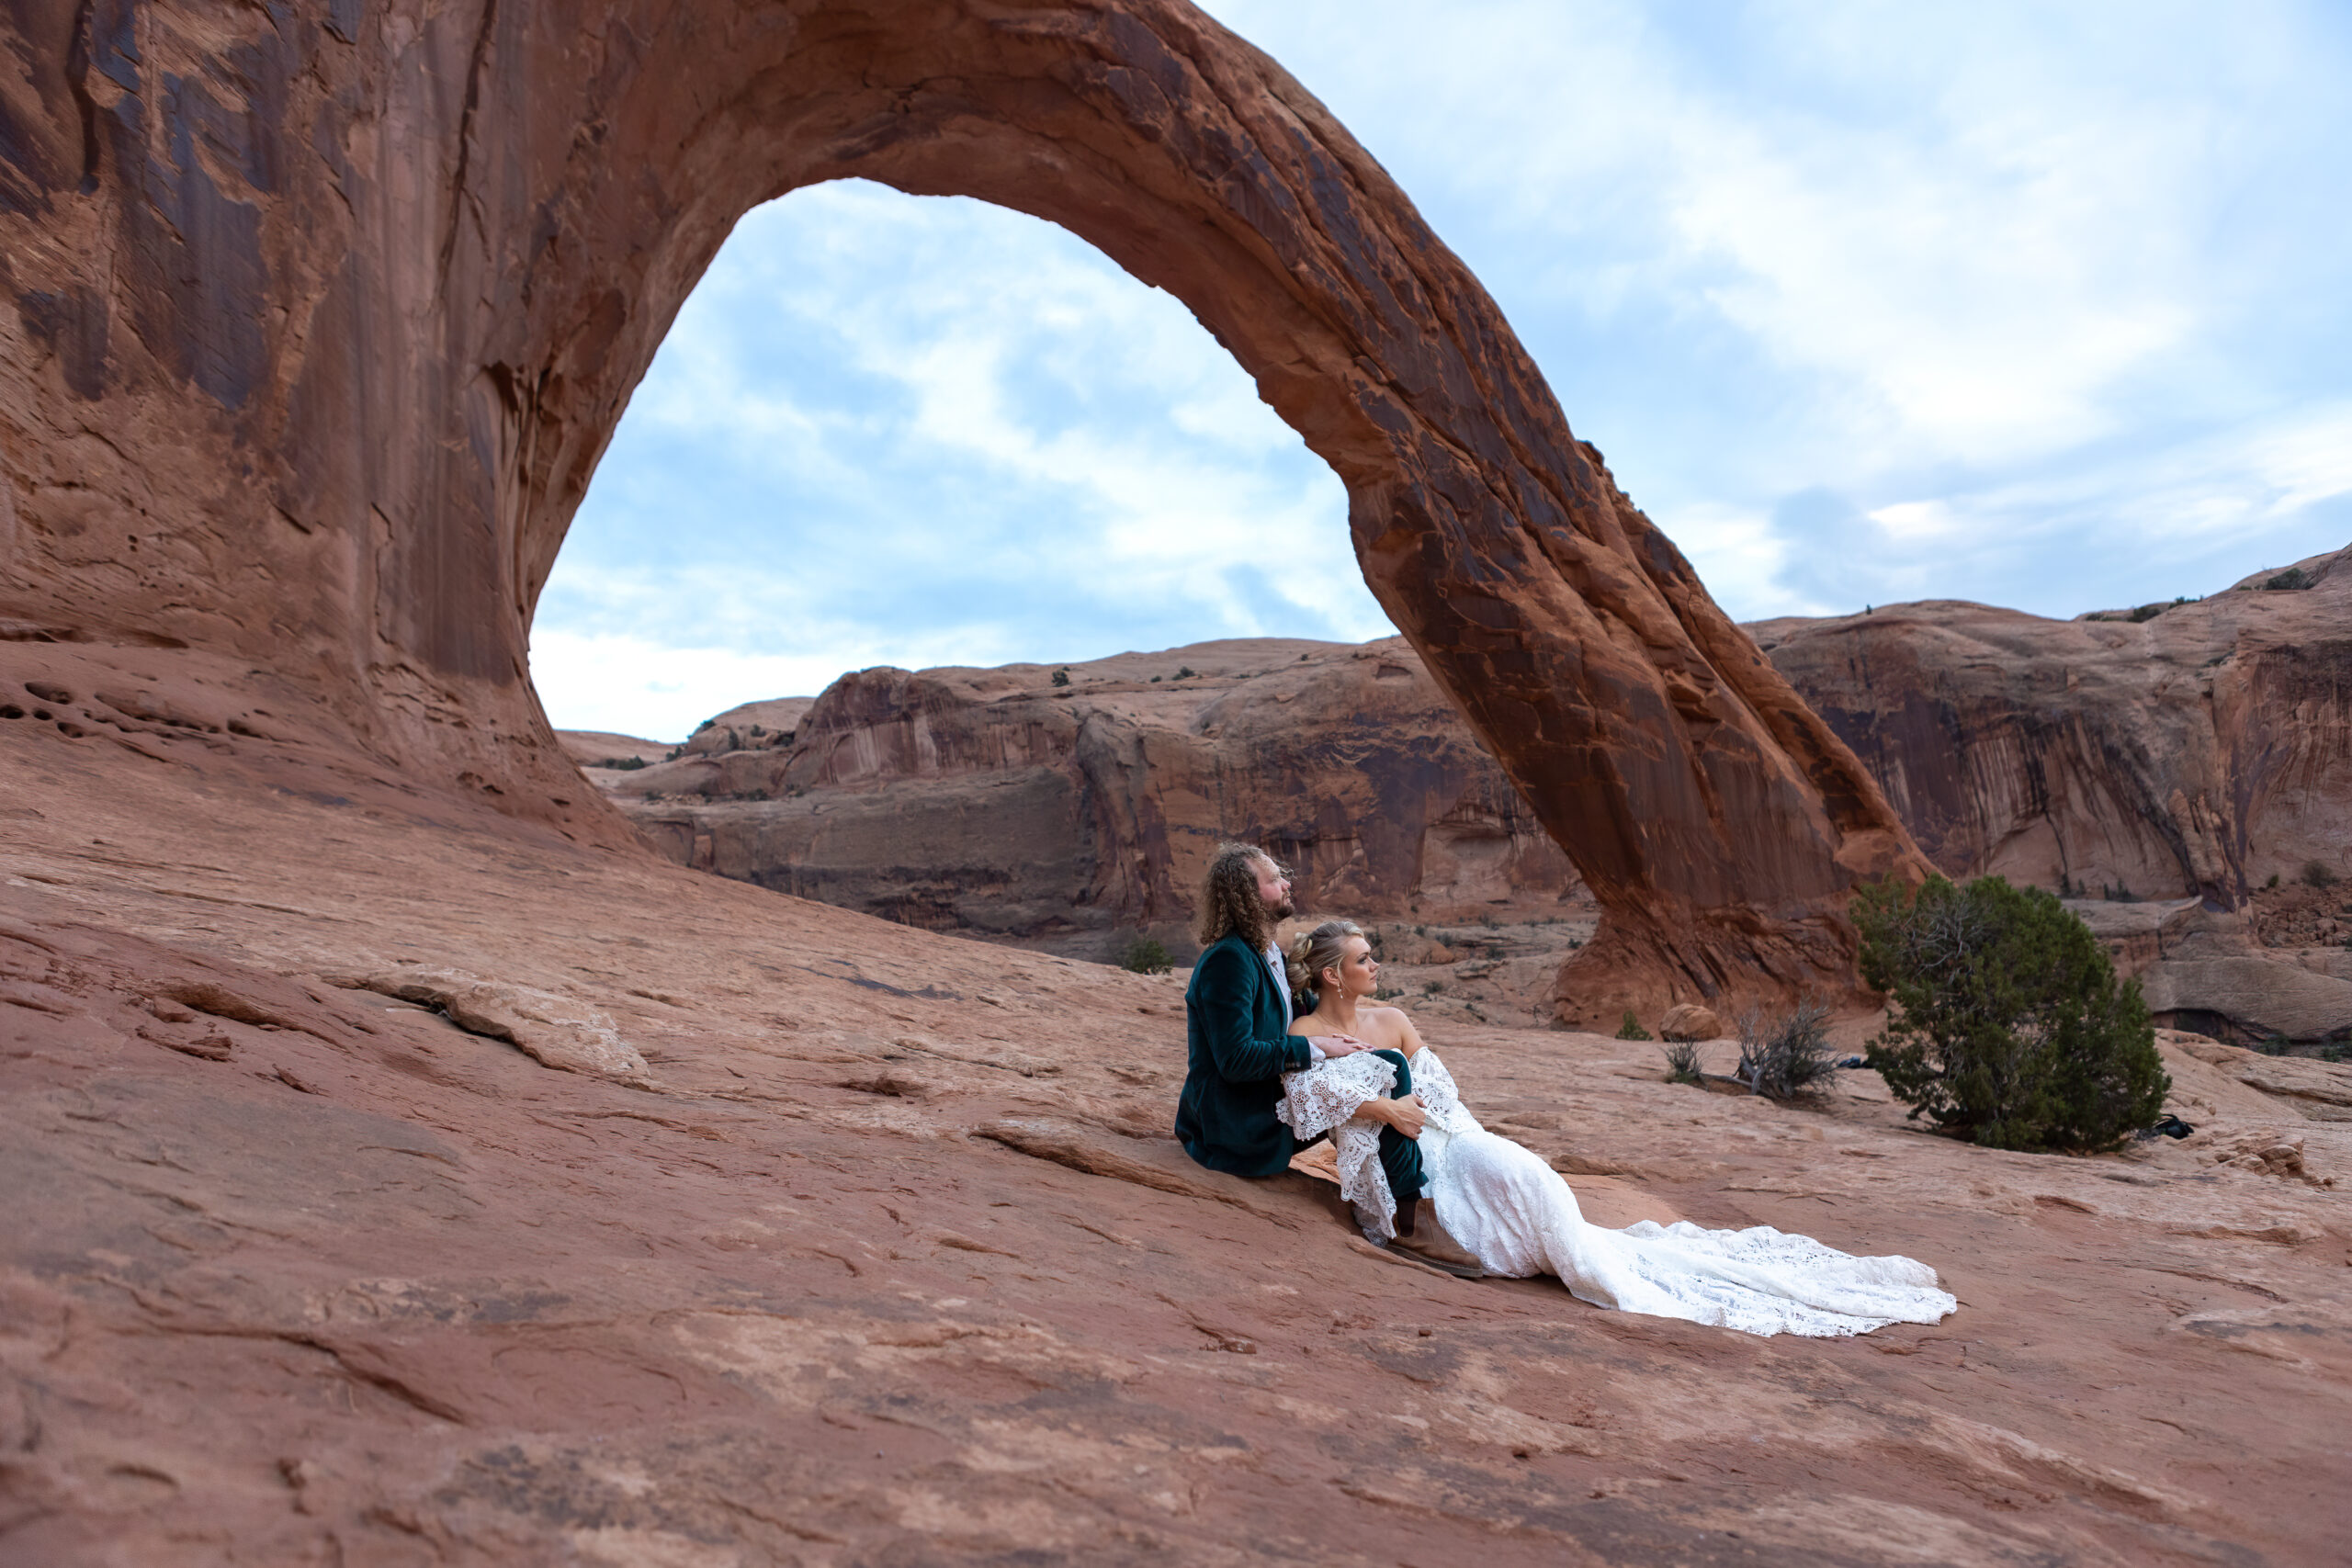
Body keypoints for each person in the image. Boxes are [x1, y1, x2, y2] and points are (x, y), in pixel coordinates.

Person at [1279, 919, 1959, 1338]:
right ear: (1334, 973)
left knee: (1532, 1178)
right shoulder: (1303, 1034)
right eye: (1365, 959)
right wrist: (1382, 1109)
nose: (1377, 967)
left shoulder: (1392, 1019)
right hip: (1391, 1163)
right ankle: (1436, 1232)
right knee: (1520, 1195)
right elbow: (1310, 1106)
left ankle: (1566, 1254)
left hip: (1450, 1136)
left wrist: (1447, 1130)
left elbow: (1441, 1091)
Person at [1174, 844, 1429, 1231]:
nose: (1287, 883)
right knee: (1387, 1068)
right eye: (1274, 880)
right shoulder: (1228, 961)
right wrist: (1317, 1047)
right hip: (1235, 1127)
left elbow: (1317, 1012)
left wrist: (1359, 1035)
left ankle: (1398, 1199)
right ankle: (1410, 1217)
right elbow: (1235, 1059)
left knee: (1379, 1063)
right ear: (1247, 895)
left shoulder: (1267, 954)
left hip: (1266, 1106)